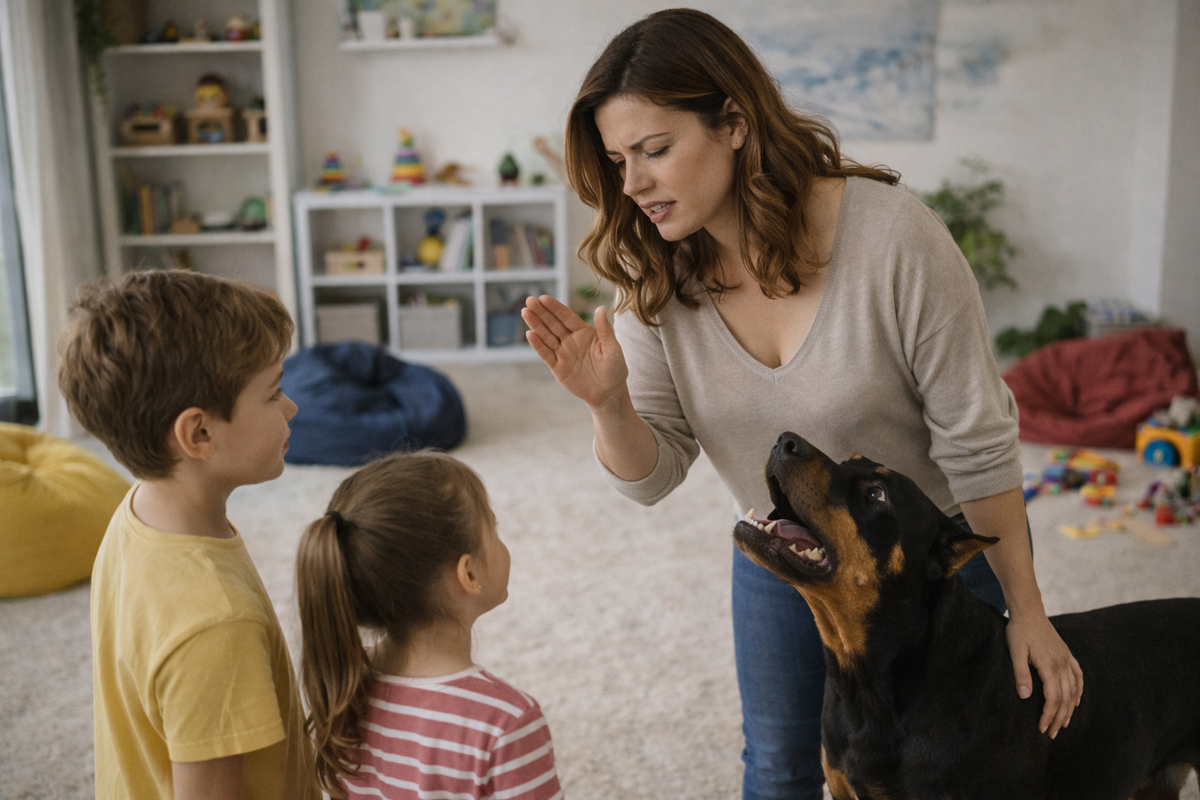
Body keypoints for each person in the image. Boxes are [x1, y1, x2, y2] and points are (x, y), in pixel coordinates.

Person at [520, 8, 1083, 799]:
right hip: (783, 550)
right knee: (780, 772)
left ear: (735, 124)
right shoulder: (649, 279)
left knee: (962, 774)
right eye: (618, 161)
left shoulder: (894, 240)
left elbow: (978, 444)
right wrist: (608, 405)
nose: (633, 184)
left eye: (654, 150)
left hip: (924, 564)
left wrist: (1029, 608)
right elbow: (649, 479)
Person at [57, 270, 317, 800]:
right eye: (273, 393)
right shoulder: (216, 622)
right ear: (198, 433)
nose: (291, 407)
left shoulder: (135, 514)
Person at [294, 451, 564, 800]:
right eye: (493, 529)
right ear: (468, 573)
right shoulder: (506, 722)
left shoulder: (345, 681)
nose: (499, 540)